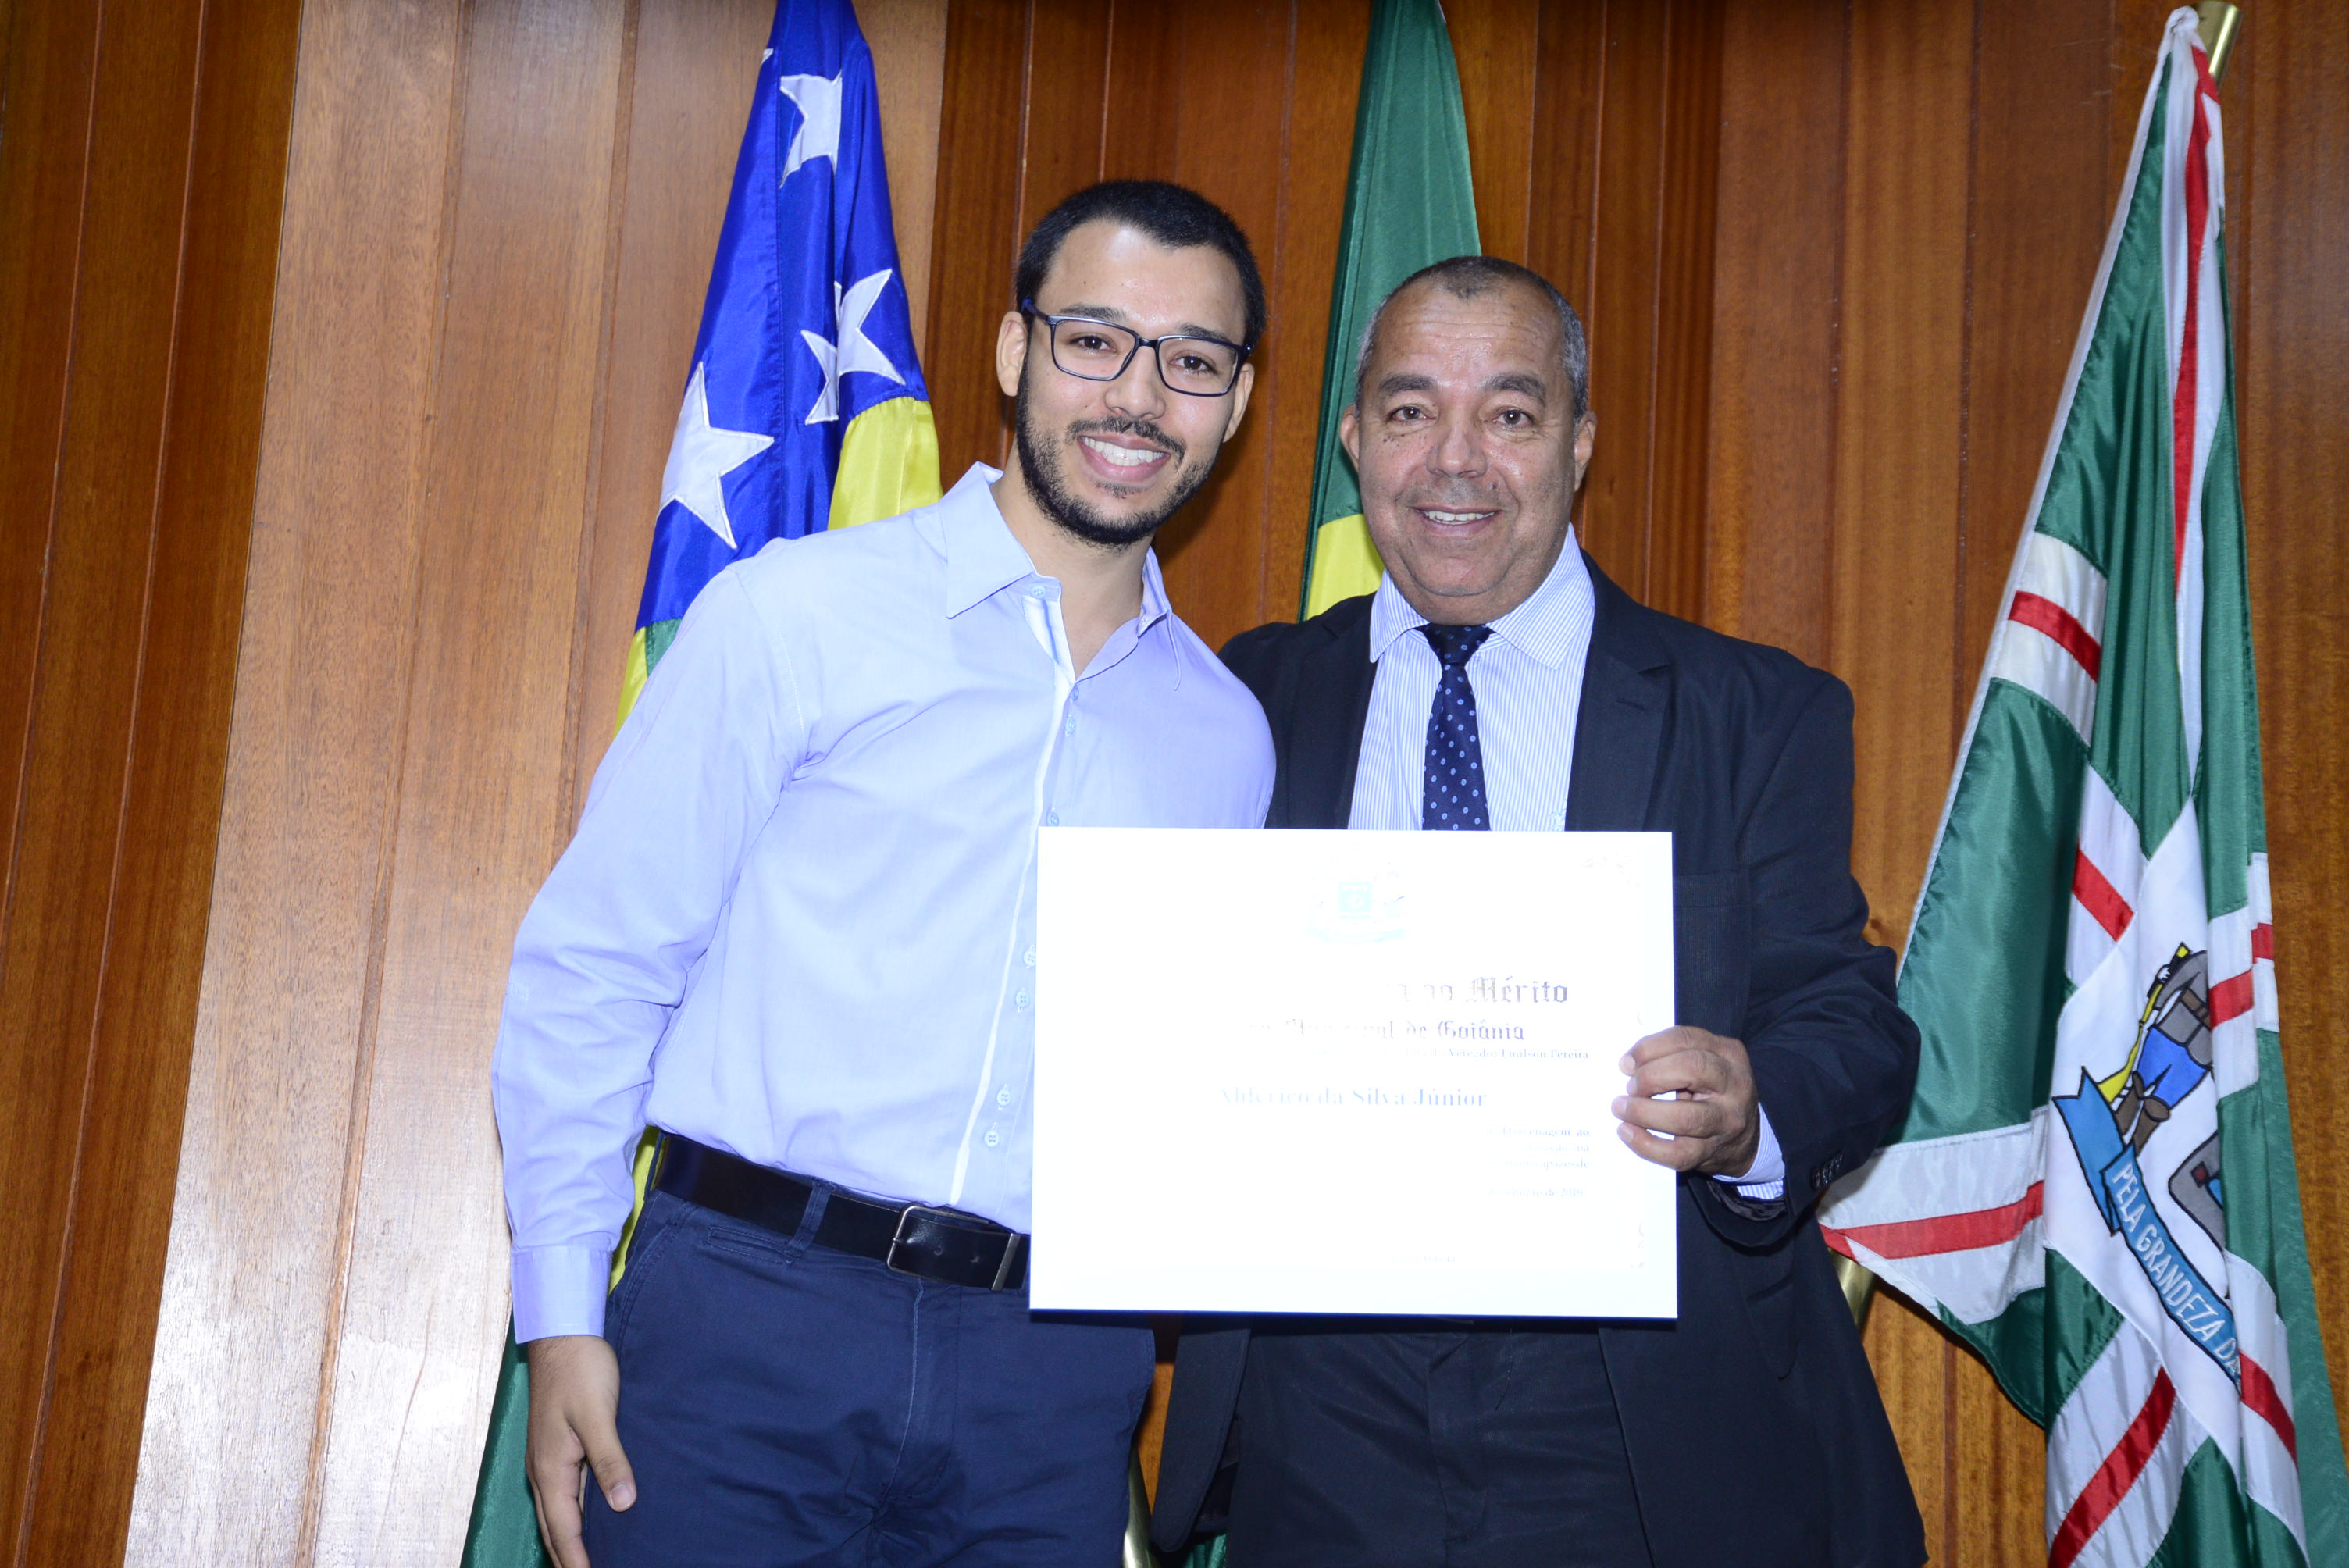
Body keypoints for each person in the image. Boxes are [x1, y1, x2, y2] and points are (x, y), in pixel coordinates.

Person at [493, 180, 1274, 1568]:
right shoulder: (795, 613)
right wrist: (561, 1318)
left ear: (1238, 401)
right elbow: (597, 967)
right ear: (1016, 351)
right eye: (1096, 340)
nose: (1139, 395)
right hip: (746, 1319)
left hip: (1053, 1377)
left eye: (1192, 361)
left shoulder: (1228, 740)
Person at [1150, 256, 1927, 1568]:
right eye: (1410, 411)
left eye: (1508, 414)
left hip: (1636, 1405)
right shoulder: (1247, 699)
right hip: (1323, 1401)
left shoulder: (1753, 711)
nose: (1455, 459)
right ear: (1355, 443)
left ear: (1578, 444)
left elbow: (1849, 1023)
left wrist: (1749, 1108)